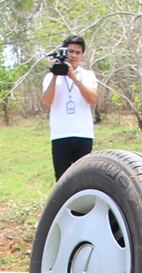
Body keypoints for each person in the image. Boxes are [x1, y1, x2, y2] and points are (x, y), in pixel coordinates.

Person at [41, 35, 99, 181]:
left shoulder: (87, 75)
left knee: (84, 178)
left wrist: (75, 79)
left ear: (82, 55)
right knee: (62, 180)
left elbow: (92, 99)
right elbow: (46, 102)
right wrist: (55, 74)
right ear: (64, 52)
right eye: (70, 51)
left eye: (78, 52)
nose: (73, 55)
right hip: (60, 134)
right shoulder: (50, 77)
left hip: (83, 134)